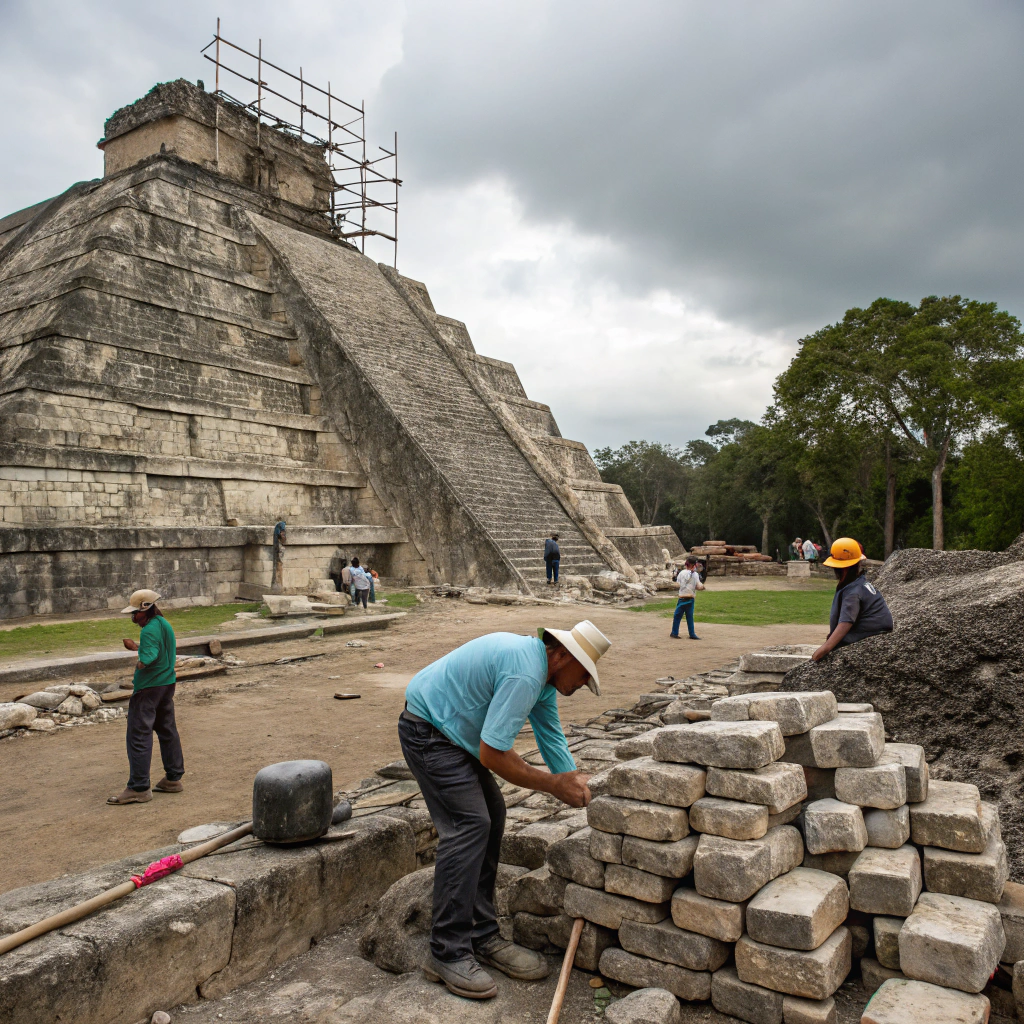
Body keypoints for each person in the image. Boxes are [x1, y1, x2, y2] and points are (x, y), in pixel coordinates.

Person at [400, 620, 610, 999]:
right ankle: (446, 952)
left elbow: (551, 737)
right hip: (428, 730)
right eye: (583, 676)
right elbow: (493, 754)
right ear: (563, 655)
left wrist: (579, 788)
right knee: (470, 824)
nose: (581, 686)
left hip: (453, 734)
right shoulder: (525, 673)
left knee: (492, 817)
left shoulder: (543, 675)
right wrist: (552, 785)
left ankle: (481, 935)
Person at [107, 589, 184, 805]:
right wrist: (136, 647)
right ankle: (173, 778)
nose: (133, 618)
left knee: (138, 735)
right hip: (166, 684)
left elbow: (149, 657)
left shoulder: (149, 629)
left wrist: (139, 662)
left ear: (146, 609)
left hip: (149, 688)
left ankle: (139, 787)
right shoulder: (163, 624)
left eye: (135, 614)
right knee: (167, 730)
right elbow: (158, 650)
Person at [812, 538, 894, 662]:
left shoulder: (853, 592)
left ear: (842, 568)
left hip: (869, 636)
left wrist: (824, 649)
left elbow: (846, 622)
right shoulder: (859, 582)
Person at [670, 556, 705, 640]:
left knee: (677, 616)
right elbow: (699, 586)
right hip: (691, 598)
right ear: (695, 565)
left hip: (682, 597)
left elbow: (678, 583)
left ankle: (674, 632)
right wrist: (702, 587)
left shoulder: (682, 573)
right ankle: (692, 634)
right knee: (689, 617)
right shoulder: (696, 574)